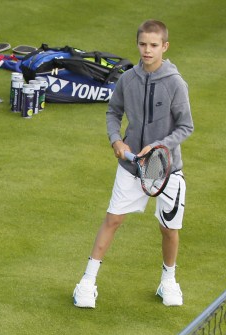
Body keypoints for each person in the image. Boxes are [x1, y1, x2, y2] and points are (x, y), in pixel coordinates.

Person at [73, 19, 193, 309]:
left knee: (169, 229)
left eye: (153, 45)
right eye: (143, 44)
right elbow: (113, 113)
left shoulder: (176, 84)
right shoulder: (128, 79)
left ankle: (168, 281)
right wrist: (116, 141)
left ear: (164, 46)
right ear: (138, 44)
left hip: (165, 169)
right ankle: (87, 283)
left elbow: (186, 127)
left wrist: (160, 146)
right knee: (113, 219)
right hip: (131, 165)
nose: (147, 50)